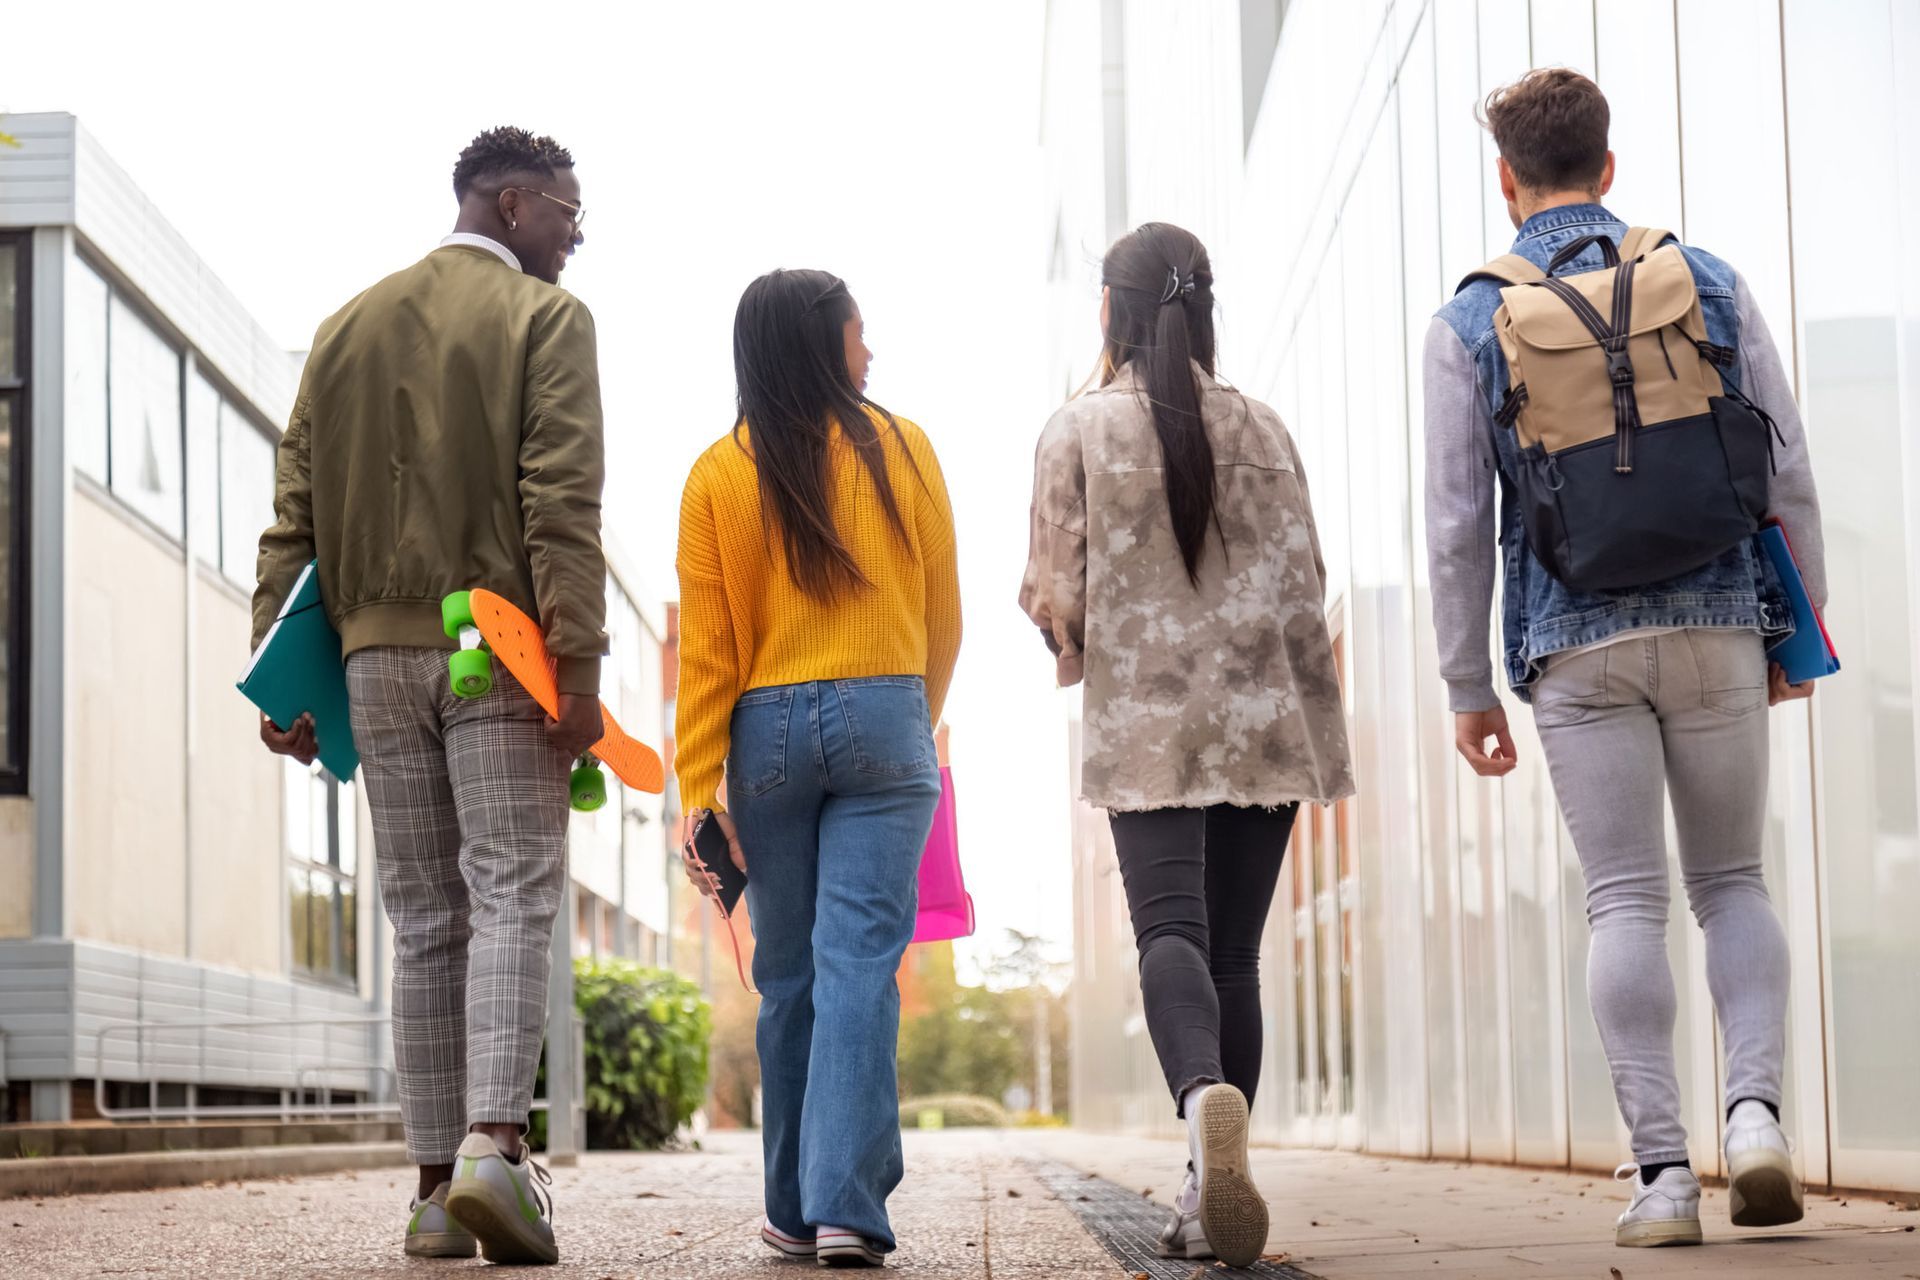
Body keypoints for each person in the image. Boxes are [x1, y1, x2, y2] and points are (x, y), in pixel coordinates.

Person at [1426, 69, 1825, 1249]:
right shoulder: (1705, 279)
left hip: (1573, 641)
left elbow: (1455, 524)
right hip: (1715, 616)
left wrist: (1465, 684)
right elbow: (1786, 466)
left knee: (1627, 898)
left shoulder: (1468, 320)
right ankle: (1755, 1117)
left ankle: (1664, 1177)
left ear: (1507, 182)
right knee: (1732, 881)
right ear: (1609, 164)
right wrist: (1797, 626)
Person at [253, 126, 603, 1267]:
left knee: (421, 920)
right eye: (564, 207)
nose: (577, 229)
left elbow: (292, 518)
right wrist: (583, 671)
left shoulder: (342, 328)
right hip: (492, 648)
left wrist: (279, 669)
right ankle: (497, 1146)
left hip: (370, 659)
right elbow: (559, 503)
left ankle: (432, 1190)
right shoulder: (548, 323)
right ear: (507, 204)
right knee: (511, 891)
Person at [1020, 222, 1354, 1269]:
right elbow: (1314, 581)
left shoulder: (1077, 429)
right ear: (1206, 310)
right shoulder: (1267, 426)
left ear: (1110, 313)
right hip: (1266, 720)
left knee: (1170, 930)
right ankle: (1212, 1174)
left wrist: (1080, 648)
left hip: (1151, 722)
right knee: (1236, 952)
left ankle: (1201, 1101)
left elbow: (1054, 598)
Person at [674, 269, 962, 1268]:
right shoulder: (903, 447)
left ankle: (792, 1211)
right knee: (858, 968)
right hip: (888, 710)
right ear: (823, 343)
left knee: (787, 971)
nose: (870, 352)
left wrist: (696, 785)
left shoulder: (717, 473)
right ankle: (847, 1207)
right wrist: (911, 723)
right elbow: (944, 614)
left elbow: (708, 651)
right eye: (858, 332)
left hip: (765, 734)